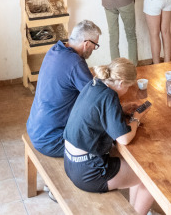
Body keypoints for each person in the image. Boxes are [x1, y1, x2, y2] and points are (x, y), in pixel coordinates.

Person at [63, 58, 154, 215]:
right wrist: (136, 118)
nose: (127, 90)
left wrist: (121, 109)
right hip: (88, 171)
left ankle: (132, 210)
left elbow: (97, 111)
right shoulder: (110, 96)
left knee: (135, 166)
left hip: (71, 161)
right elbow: (124, 139)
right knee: (152, 179)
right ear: (120, 82)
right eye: (128, 86)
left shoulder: (94, 84)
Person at [26, 20, 101, 158]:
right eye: (95, 45)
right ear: (87, 44)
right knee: (105, 140)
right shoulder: (75, 62)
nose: (93, 49)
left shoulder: (55, 50)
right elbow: (97, 98)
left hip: (35, 129)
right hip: (53, 140)